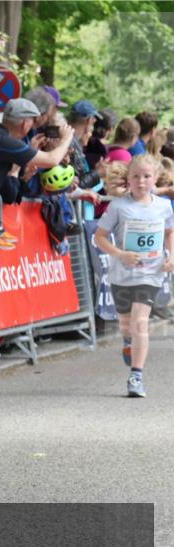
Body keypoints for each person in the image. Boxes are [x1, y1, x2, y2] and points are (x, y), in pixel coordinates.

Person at [92, 154, 174, 398]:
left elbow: (170, 232)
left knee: (140, 323)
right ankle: (128, 343)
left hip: (151, 273)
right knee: (127, 326)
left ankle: (136, 377)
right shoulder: (118, 206)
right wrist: (121, 254)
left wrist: (171, 255)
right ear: (128, 178)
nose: (141, 182)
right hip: (122, 274)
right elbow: (99, 237)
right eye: (136, 176)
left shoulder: (163, 206)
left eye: (146, 177)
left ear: (155, 178)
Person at [0, 97, 74, 202]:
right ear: (25, 124)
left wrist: (24, 173)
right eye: (33, 121)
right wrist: (66, 139)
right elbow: (52, 160)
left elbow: (9, 193)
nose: (33, 127)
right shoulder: (4, 140)